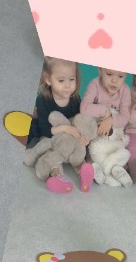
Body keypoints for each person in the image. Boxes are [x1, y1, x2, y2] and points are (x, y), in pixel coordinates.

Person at [26, 57, 94, 194]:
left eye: (72, 79)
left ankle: (83, 173)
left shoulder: (75, 99)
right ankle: (58, 176)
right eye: (61, 80)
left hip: (69, 139)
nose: (68, 85)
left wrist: (82, 138)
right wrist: (65, 128)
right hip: (51, 136)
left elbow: (78, 122)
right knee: (51, 154)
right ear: (48, 79)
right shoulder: (43, 100)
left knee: (78, 153)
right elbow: (45, 130)